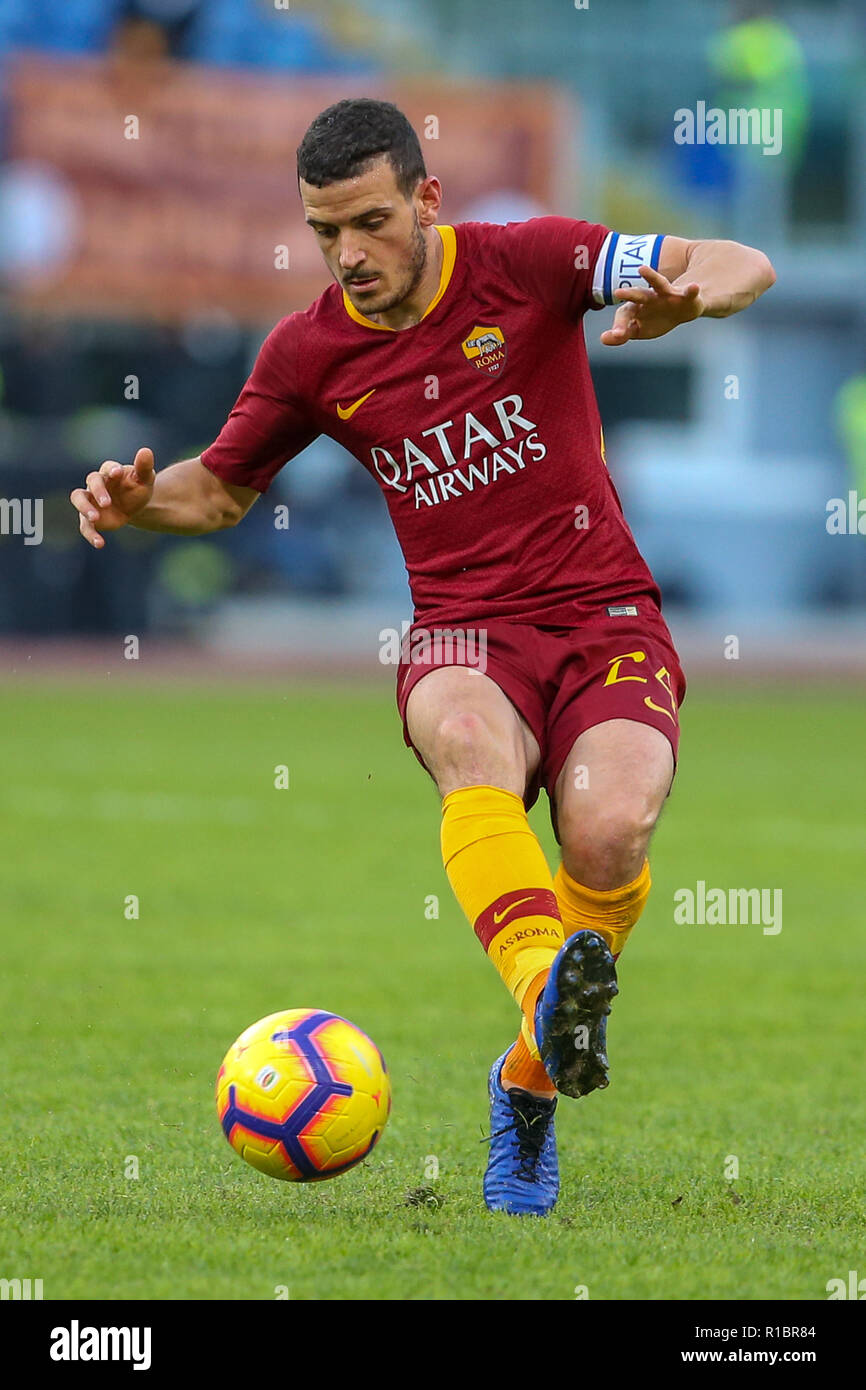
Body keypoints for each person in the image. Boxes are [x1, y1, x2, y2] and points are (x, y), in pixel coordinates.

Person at [70, 98, 775, 1216]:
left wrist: (690, 298)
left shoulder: (532, 262)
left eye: (368, 222)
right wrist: (139, 496)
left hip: (602, 613)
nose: (348, 255)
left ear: (426, 200)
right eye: (322, 232)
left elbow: (742, 258)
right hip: (462, 631)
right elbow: (215, 492)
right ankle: (550, 991)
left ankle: (525, 1082)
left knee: (608, 828)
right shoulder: (309, 351)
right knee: (460, 733)